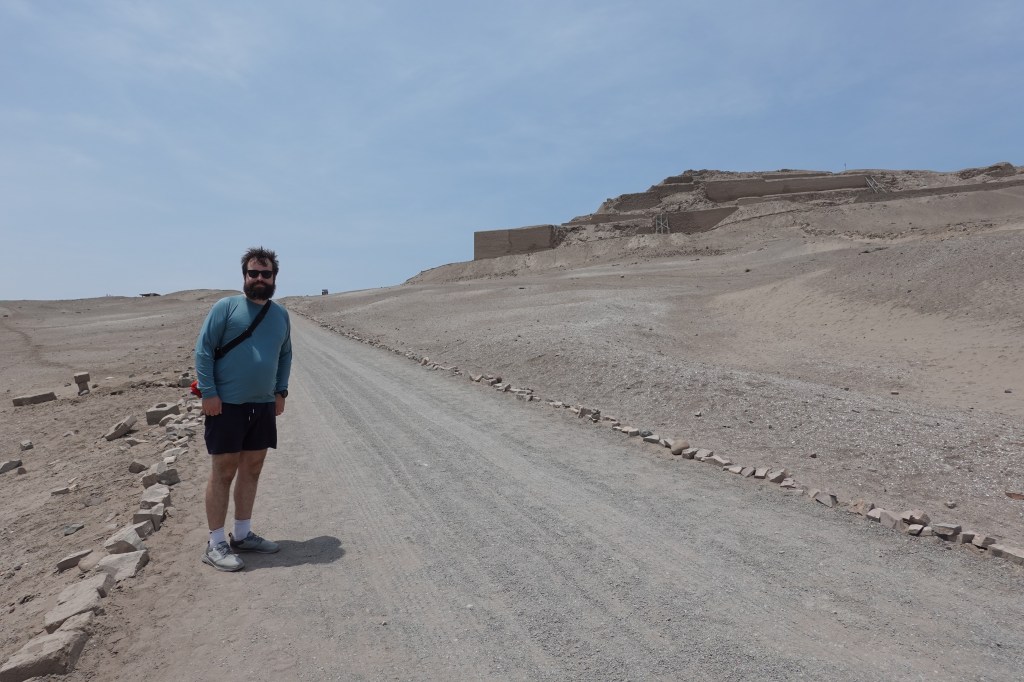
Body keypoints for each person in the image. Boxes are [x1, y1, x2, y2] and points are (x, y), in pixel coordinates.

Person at [194, 246, 292, 571]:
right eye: (254, 273)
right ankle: (215, 544)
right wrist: (209, 392)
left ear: (274, 277)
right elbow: (204, 350)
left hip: (262, 405)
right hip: (226, 405)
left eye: (266, 273)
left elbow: (285, 355)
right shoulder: (226, 307)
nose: (260, 278)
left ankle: (242, 534)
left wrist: (281, 391)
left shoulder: (280, 315)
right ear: (244, 276)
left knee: (253, 468)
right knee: (223, 471)